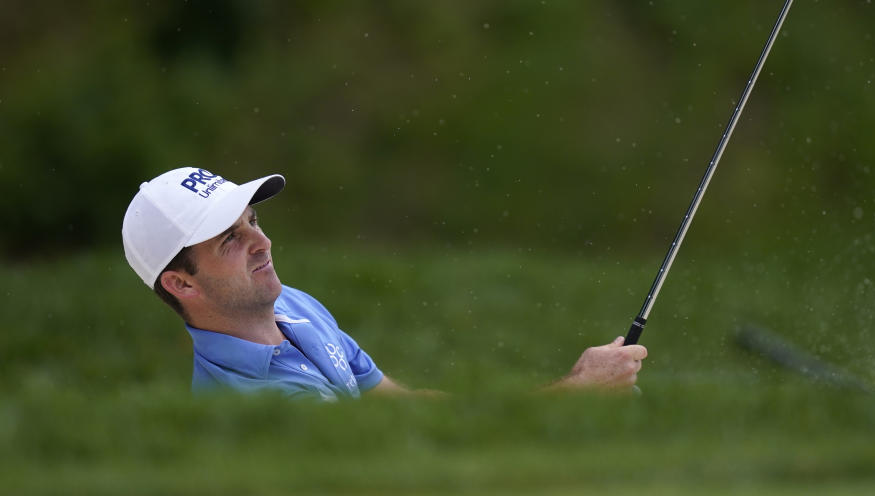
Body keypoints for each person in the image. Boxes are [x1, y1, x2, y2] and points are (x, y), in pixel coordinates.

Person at [122, 167, 648, 401]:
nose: (261, 243)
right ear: (181, 284)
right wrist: (572, 395)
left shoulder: (294, 307)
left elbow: (404, 409)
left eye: (252, 221)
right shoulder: (254, 402)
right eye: (228, 241)